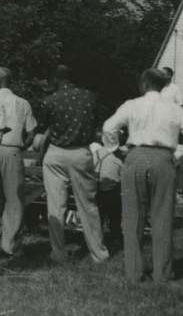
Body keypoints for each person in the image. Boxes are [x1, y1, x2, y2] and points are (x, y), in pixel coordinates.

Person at [103, 68, 183, 284]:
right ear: (164, 86)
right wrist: (182, 154)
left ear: (144, 84)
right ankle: (162, 273)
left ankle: (134, 273)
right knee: (162, 217)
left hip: (135, 157)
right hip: (164, 159)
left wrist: (115, 150)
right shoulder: (174, 109)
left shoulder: (132, 104)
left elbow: (109, 127)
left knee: (132, 218)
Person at [38, 65, 109, 265]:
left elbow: (45, 127)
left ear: (58, 79)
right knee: (88, 205)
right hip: (80, 151)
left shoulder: (49, 101)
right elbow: (95, 124)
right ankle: (98, 253)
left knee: (55, 205)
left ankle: (58, 253)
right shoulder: (90, 98)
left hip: (56, 152)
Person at [0, 67, 37, 261]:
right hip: (12, 150)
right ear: (10, 81)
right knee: (13, 200)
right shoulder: (22, 103)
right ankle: (10, 247)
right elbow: (32, 132)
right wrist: (22, 147)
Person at [90, 130, 128, 250]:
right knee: (115, 217)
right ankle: (116, 237)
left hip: (96, 190)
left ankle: (96, 241)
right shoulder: (120, 156)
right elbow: (122, 176)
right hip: (112, 192)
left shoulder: (96, 153)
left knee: (99, 218)